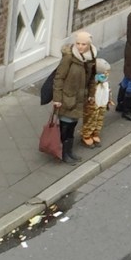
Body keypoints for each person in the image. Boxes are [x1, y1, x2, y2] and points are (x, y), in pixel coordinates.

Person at [52, 31, 98, 164]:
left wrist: (91, 94)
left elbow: (91, 79)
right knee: (65, 126)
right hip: (67, 98)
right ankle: (62, 153)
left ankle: (68, 151)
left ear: (89, 45)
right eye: (78, 43)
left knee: (72, 125)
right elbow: (59, 78)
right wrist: (57, 98)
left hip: (79, 99)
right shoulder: (69, 58)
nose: (80, 47)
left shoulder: (91, 58)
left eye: (83, 44)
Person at [80, 58, 112, 149]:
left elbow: (107, 90)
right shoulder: (92, 82)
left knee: (99, 118)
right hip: (93, 103)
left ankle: (95, 132)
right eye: (104, 73)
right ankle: (86, 135)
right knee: (90, 119)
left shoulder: (105, 82)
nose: (106, 75)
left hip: (102, 102)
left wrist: (109, 99)